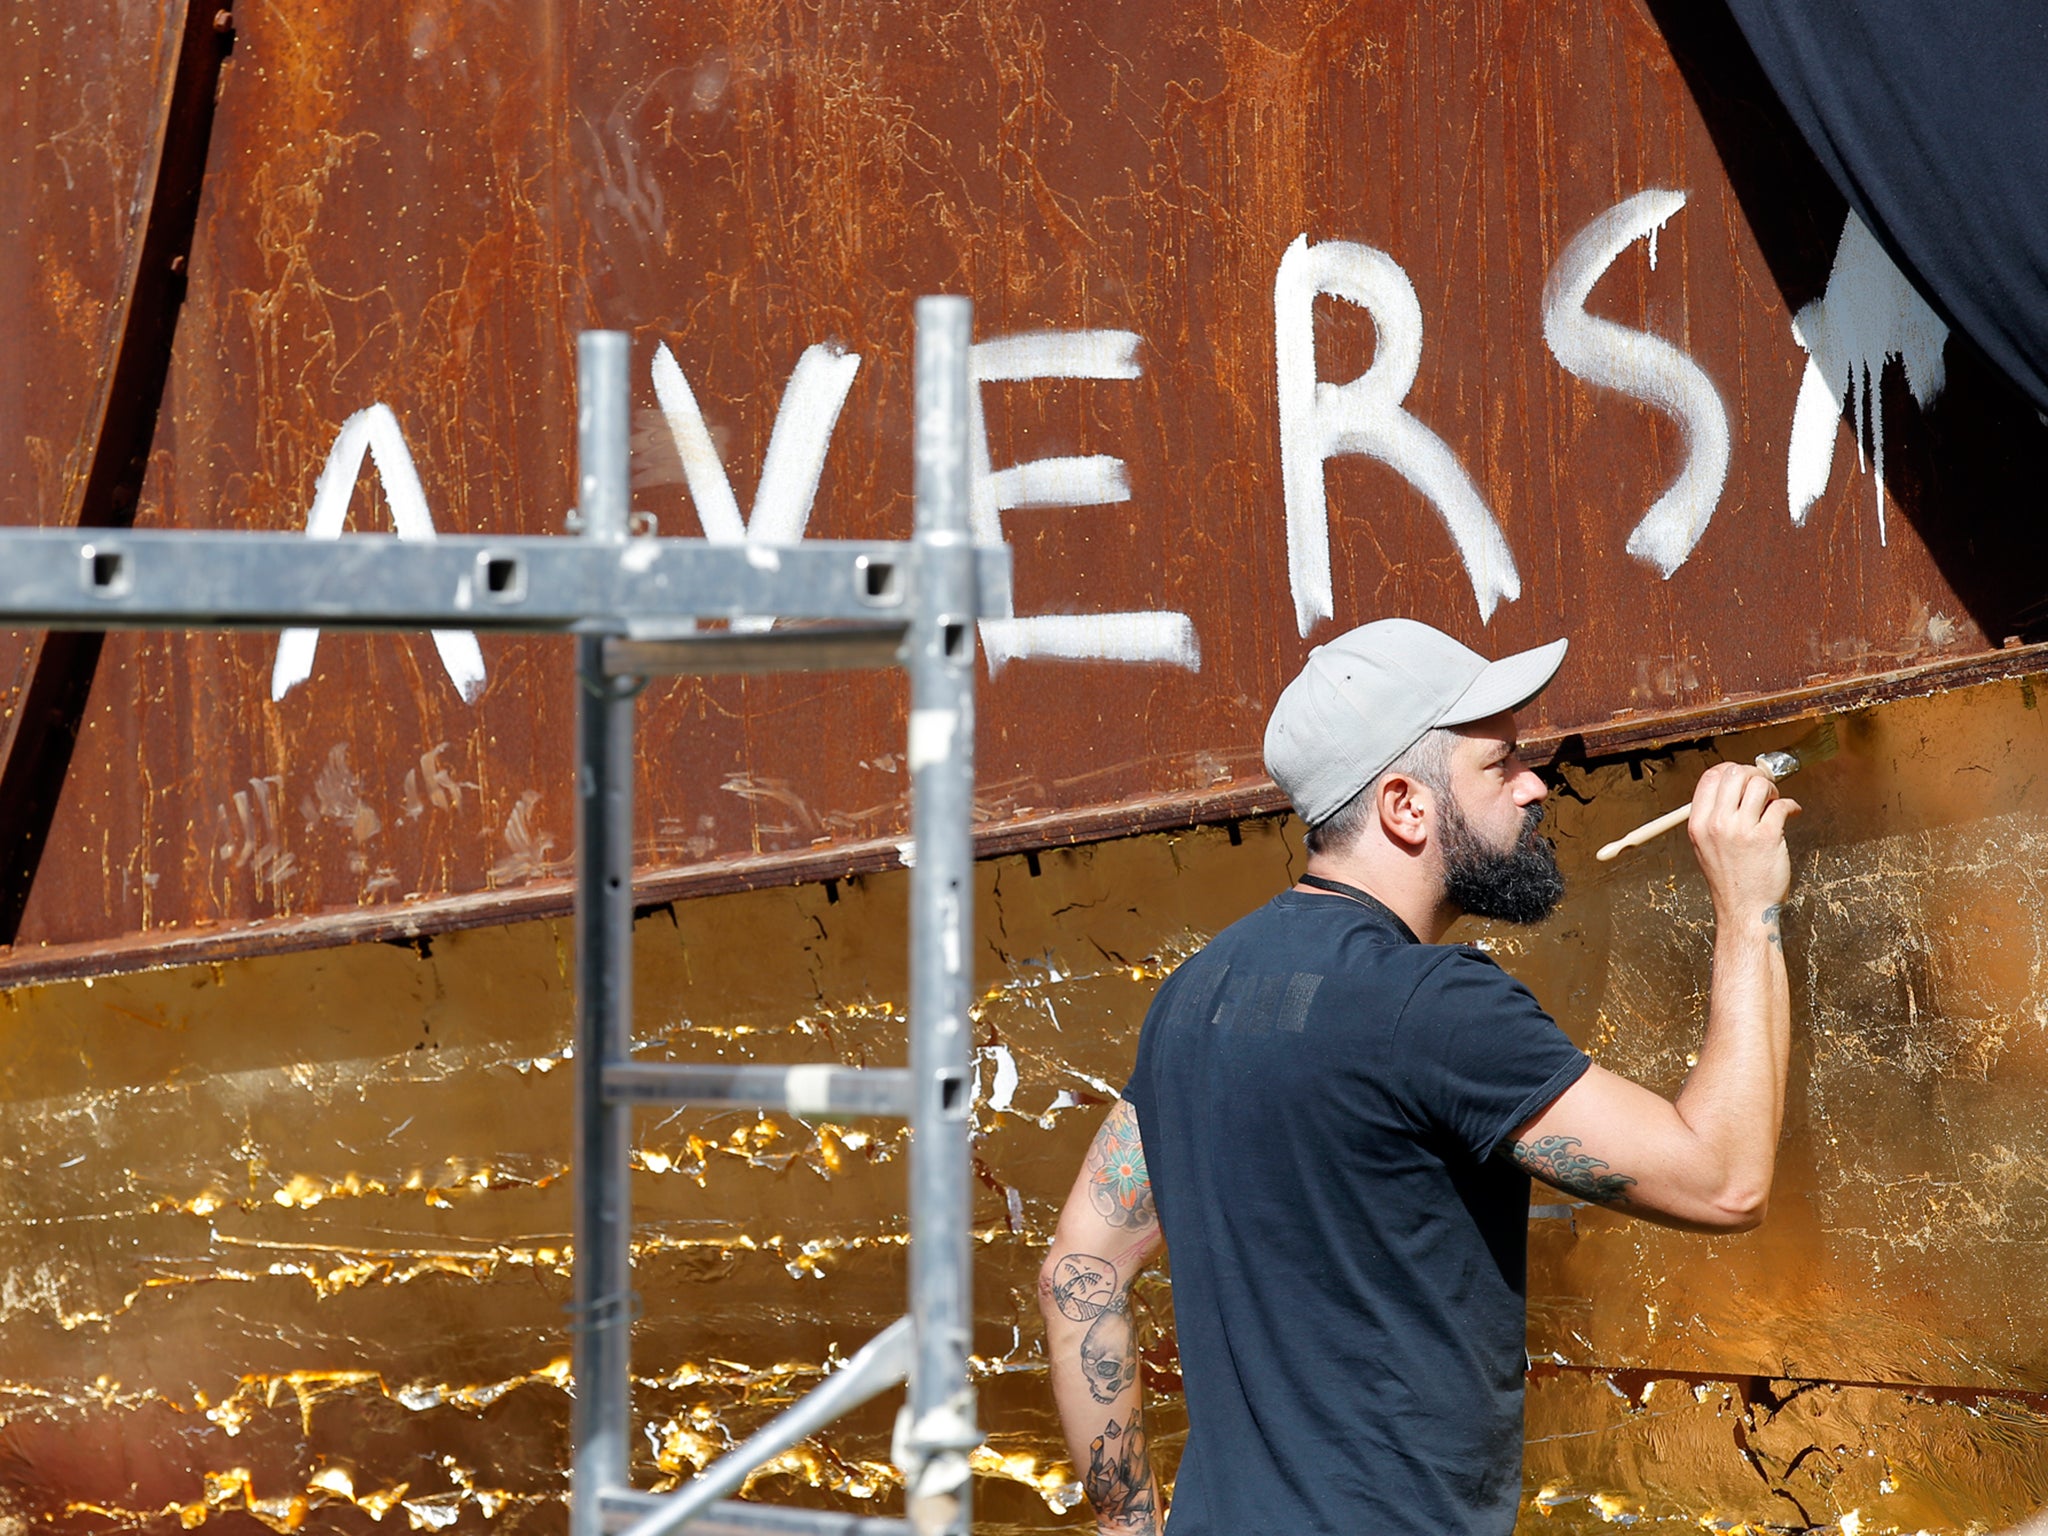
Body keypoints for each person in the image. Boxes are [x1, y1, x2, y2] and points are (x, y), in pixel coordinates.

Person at [1037, 618, 1798, 1536]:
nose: (1535, 785)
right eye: (1501, 762)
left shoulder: (1196, 994)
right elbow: (1724, 1183)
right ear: (1406, 805)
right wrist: (1747, 905)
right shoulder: (1428, 1002)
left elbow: (1079, 1269)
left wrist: (1130, 1529)